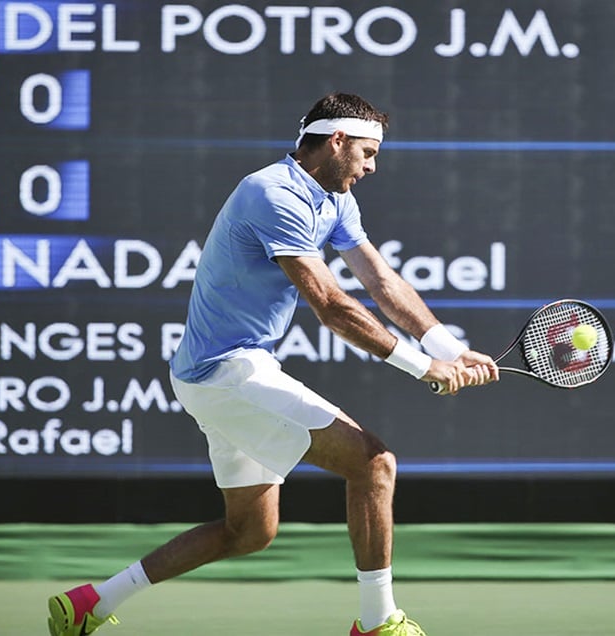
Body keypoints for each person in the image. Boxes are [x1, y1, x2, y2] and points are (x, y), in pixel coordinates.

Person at [47, 92, 499, 636]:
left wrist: (447, 349)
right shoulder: (272, 193)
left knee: (248, 532)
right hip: (228, 371)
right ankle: (379, 624)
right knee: (374, 464)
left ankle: (89, 603)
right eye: (367, 152)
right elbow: (331, 304)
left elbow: (380, 280)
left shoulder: (334, 198)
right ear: (336, 141)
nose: (371, 166)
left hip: (219, 374)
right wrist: (419, 366)